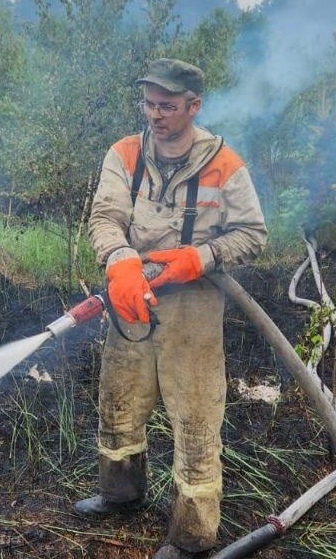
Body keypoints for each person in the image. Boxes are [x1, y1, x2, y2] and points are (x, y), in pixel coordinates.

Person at [77, 58, 268, 559]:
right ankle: (120, 496)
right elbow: (106, 216)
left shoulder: (226, 165)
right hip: (132, 299)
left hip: (195, 312)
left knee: (196, 421)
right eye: (149, 104)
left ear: (193, 106)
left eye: (167, 106)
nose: (155, 115)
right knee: (118, 402)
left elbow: (253, 235)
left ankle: (192, 537)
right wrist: (119, 262)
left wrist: (199, 258)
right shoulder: (124, 153)